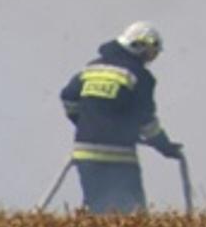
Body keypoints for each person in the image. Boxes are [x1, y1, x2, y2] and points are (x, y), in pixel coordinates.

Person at [59, 21, 184, 214]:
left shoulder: (91, 69)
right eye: (152, 52)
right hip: (118, 157)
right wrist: (164, 146)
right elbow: (146, 121)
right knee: (132, 216)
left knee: (98, 212)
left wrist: (84, 121)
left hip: (85, 154)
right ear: (139, 46)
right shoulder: (139, 76)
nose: (152, 58)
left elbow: (68, 97)